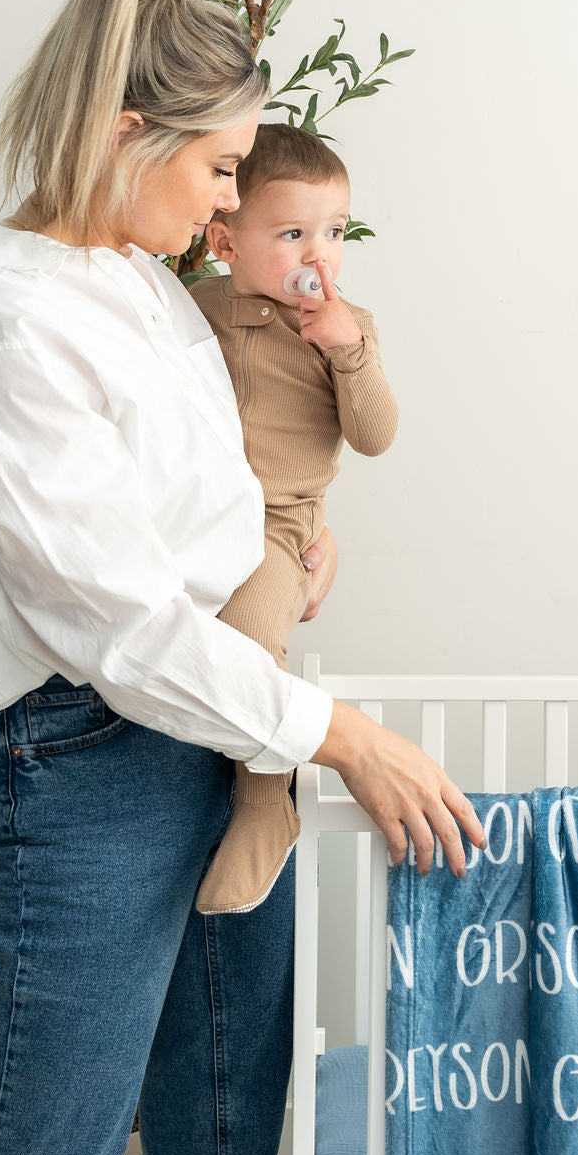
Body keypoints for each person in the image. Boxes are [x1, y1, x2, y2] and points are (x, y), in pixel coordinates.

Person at [0, 0, 483, 1155]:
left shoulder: (148, 289)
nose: (233, 204)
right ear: (128, 137)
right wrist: (337, 732)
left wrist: (281, 552)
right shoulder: (9, 317)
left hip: (222, 743)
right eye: (224, 170)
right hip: (93, 762)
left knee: (222, 1151)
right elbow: (115, 624)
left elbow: (205, 503)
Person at [192, 123, 398, 915]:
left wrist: (348, 351)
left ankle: (263, 803)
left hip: (279, 529)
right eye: (292, 234)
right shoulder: (193, 308)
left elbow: (376, 436)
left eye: (335, 233)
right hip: (199, 514)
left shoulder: (348, 330)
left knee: (247, 636)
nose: (320, 256)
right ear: (225, 239)